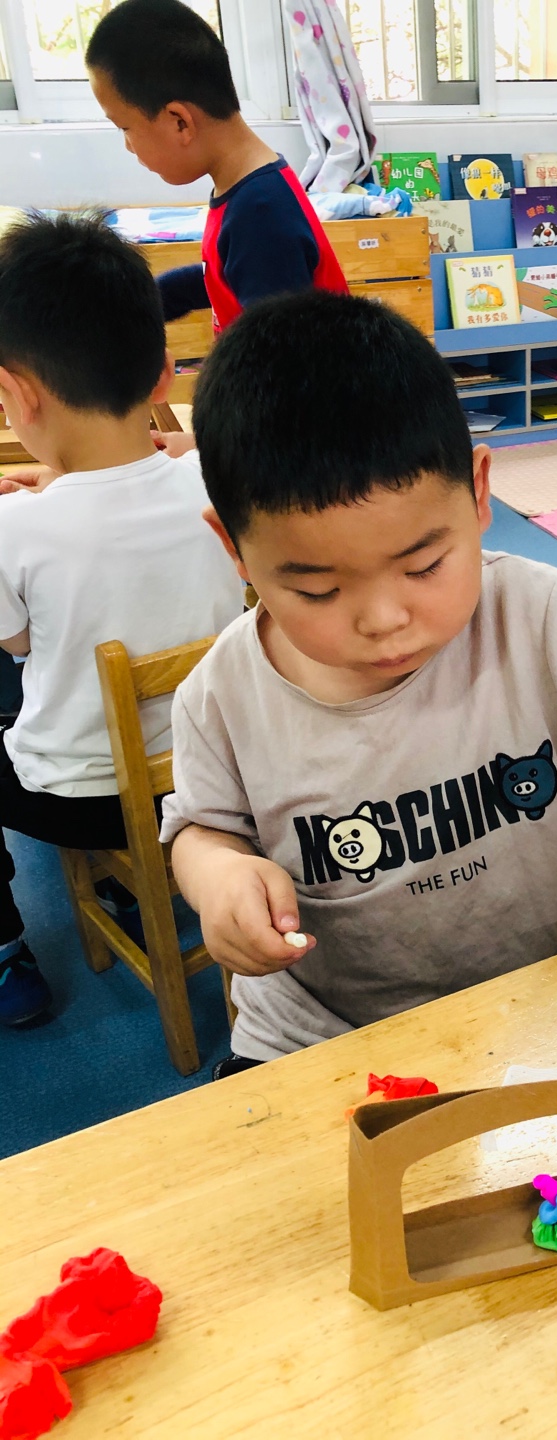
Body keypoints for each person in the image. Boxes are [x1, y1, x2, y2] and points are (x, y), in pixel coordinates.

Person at [163, 292, 557, 1077]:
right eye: (318, 589)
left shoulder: (539, 618)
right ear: (235, 549)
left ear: (479, 493)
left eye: (424, 566)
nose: (385, 620)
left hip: (538, 1009)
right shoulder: (220, 696)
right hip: (320, 1037)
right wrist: (218, 875)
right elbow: (200, 829)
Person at [0, 213, 244, 1026]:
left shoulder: (14, 529)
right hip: (219, 769)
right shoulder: (215, 481)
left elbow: (19, 644)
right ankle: (133, 889)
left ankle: (7, 952)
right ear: (163, 376)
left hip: (83, 798)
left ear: (17, 394)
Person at [85, 0, 348, 336]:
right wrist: (147, 302)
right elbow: (227, 276)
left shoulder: (260, 211)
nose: (128, 145)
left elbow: (283, 356)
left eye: (125, 128)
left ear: (179, 121)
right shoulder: (248, 187)